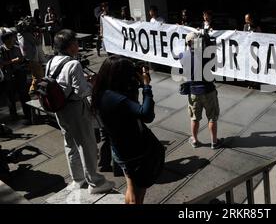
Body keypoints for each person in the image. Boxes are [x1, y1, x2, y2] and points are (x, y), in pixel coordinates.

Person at [47, 29, 114, 194]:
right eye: (75, 42)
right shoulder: (73, 64)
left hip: (60, 109)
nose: (78, 45)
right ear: (70, 46)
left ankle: (78, 179)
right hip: (76, 110)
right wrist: (91, 84)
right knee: (87, 145)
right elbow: (82, 92)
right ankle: (95, 183)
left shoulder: (50, 62)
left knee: (69, 144)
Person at [92, 56, 164, 204]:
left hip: (120, 148)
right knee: (138, 195)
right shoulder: (114, 98)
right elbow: (146, 114)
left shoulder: (104, 91)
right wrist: (146, 86)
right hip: (133, 151)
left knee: (131, 188)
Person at [180, 32, 223, 149]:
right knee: (212, 117)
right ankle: (214, 142)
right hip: (208, 90)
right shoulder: (206, 54)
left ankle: (194, 140)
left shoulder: (182, 56)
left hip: (193, 91)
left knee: (194, 118)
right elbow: (214, 67)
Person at [0, 30, 31, 123]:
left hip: (19, 73)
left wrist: (22, 60)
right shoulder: (1, 50)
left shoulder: (17, 48)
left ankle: (28, 114)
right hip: (8, 75)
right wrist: (13, 61)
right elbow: (1, 64)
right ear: (6, 40)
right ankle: (14, 115)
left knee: (23, 94)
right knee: (11, 97)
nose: (14, 39)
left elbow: (22, 59)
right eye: (12, 38)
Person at [16, 17, 44, 95]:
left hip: (27, 57)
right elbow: (37, 43)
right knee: (40, 75)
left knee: (35, 74)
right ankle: (32, 91)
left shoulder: (19, 35)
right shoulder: (26, 34)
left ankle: (34, 89)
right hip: (32, 57)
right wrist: (39, 35)